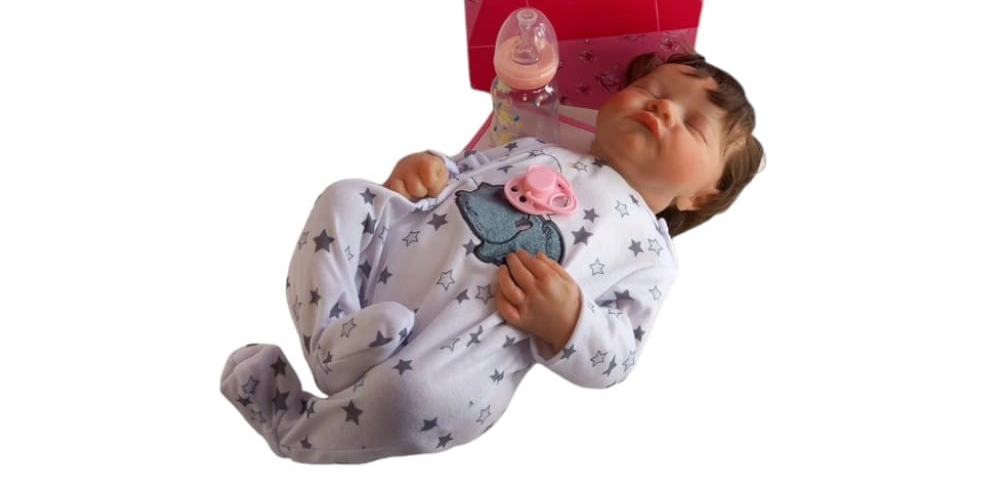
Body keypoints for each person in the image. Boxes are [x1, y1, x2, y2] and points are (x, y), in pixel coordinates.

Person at [220, 51, 764, 463]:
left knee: (417, 398)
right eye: (648, 88)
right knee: (345, 197)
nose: (662, 106)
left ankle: (294, 424)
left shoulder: (650, 255)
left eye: (693, 125)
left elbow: (618, 355)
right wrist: (428, 168)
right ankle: (329, 337)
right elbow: (463, 170)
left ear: (703, 195)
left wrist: (570, 322)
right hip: (391, 265)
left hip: (453, 355)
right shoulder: (540, 145)